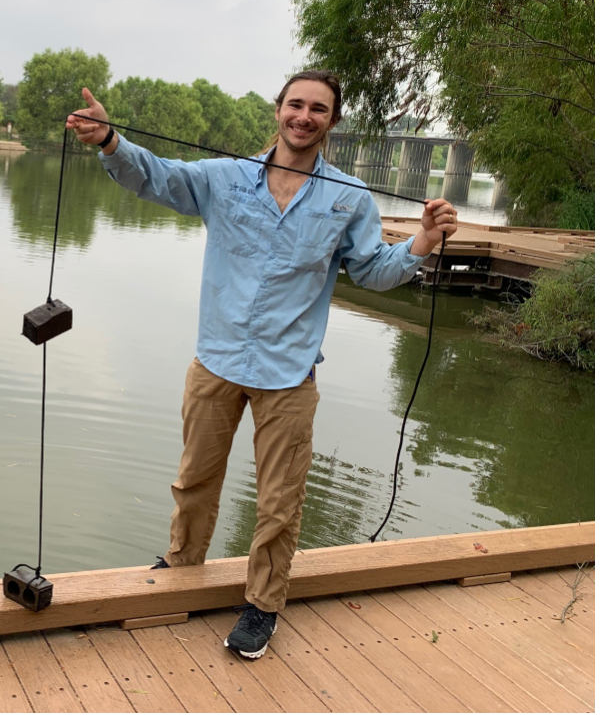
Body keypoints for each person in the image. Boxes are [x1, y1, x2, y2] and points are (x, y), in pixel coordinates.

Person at [65, 70, 458, 659]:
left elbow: (374, 271)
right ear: (278, 110)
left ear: (333, 121)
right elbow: (160, 179)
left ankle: (262, 605)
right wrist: (109, 141)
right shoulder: (224, 177)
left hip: (290, 374)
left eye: (318, 109)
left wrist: (422, 242)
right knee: (193, 481)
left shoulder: (349, 197)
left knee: (279, 500)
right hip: (216, 361)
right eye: (295, 104)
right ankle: (181, 570)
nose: (304, 116)